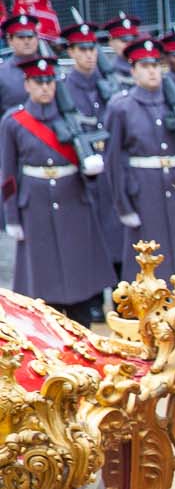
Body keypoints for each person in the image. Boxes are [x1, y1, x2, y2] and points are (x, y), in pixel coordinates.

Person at [0, 53, 110, 326]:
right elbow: (9, 174)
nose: (45, 87)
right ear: (27, 85)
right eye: (38, 82)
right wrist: (11, 217)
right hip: (35, 205)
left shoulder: (73, 119)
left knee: (80, 277)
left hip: (73, 200)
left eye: (49, 81)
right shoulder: (14, 122)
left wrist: (93, 168)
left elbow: (88, 163)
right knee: (42, 284)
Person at [101, 35, 175, 283]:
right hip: (145, 192)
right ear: (133, 70)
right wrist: (124, 206)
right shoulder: (122, 107)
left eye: (156, 65)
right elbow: (114, 161)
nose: (152, 72)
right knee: (151, 268)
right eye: (145, 66)